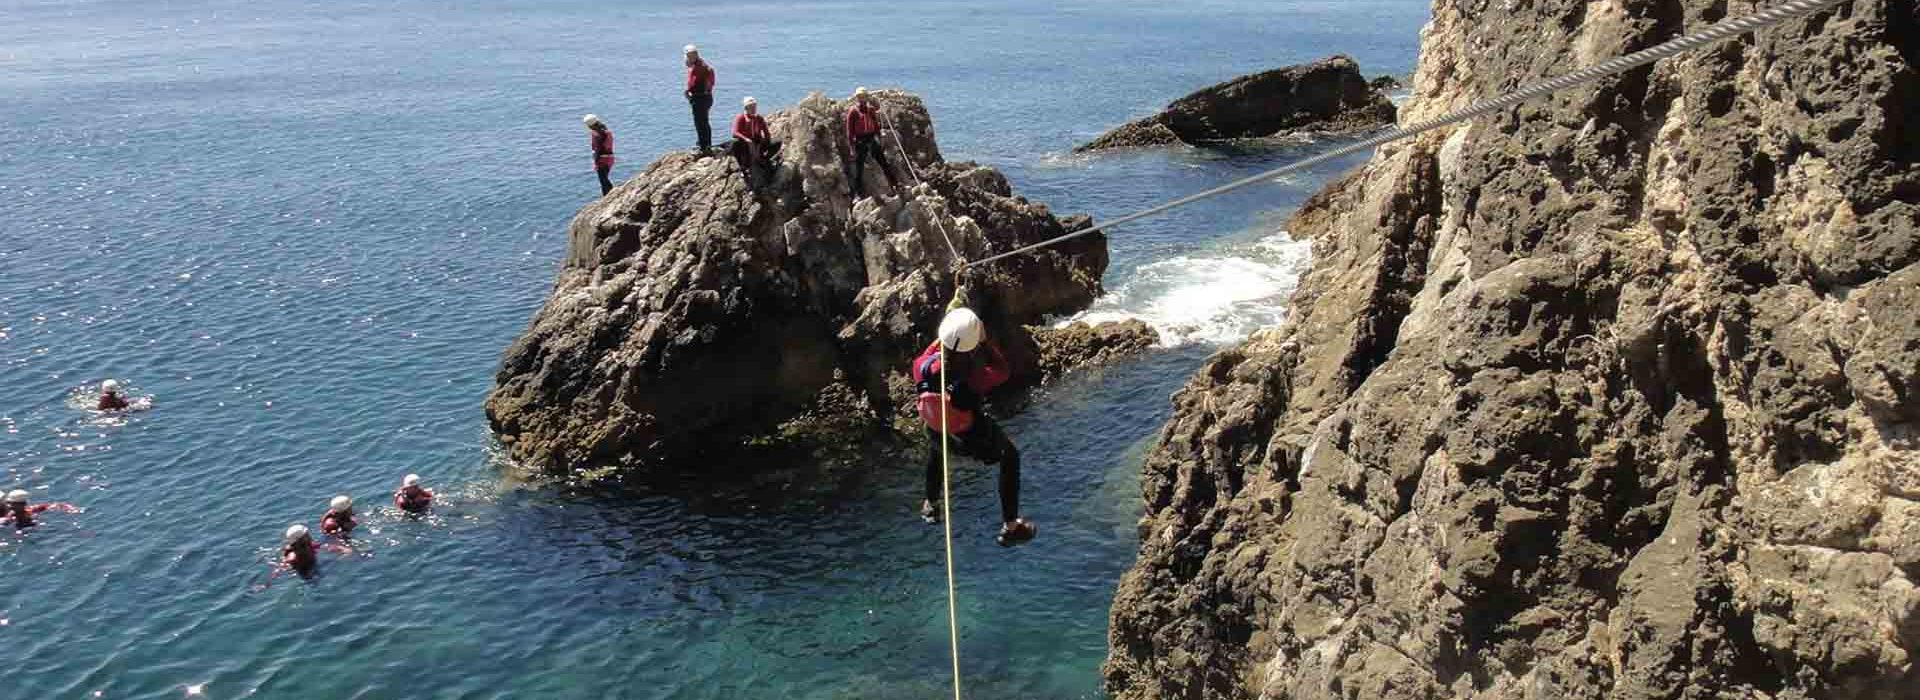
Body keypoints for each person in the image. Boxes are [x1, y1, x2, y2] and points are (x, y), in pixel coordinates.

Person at [911, 307, 1037, 546]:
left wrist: (943, 338)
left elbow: (930, 353)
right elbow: (1002, 370)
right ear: (973, 345)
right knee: (1010, 456)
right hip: (971, 439)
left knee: (937, 446)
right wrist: (986, 341)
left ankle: (930, 502)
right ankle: (1011, 525)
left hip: (938, 432)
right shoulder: (973, 378)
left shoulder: (921, 366)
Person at [844, 87, 900, 199]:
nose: (862, 99)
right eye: (860, 97)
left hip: (870, 138)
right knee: (859, 168)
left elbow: (876, 125)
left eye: (863, 97)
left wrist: (879, 138)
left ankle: (895, 184)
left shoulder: (870, 110)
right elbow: (849, 131)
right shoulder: (853, 111)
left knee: (883, 162)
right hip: (860, 140)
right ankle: (858, 193)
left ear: (866, 97)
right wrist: (851, 147)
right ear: (857, 98)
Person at [730, 97, 782, 192]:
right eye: (751, 107)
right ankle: (743, 166)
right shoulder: (741, 117)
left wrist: (762, 142)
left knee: (777, 142)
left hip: (757, 142)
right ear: (746, 108)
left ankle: (764, 159)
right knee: (735, 143)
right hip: (745, 144)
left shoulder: (759, 118)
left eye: (754, 106)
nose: (754, 109)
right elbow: (735, 132)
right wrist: (747, 139)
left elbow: (766, 133)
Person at [684, 44, 716, 155]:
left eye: (690, 55)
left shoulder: (698, 67)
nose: (688, 58)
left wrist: (687, 91)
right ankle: (705, 144)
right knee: (704, 122)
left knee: (700, 123)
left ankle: (704, 147)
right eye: (688, 55)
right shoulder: (702, 65)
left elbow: (693, 82)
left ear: (695, 55)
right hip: (706, 97)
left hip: (700, 98)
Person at [2, 489, 78, 529]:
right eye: (7, 503)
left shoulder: (30, 510)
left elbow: (53, 505)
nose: (8, 505)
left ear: (22, 504)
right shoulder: (8, 517)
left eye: (10, 503)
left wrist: (69, 508)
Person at [584, 114, 616, 196]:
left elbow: (597, 149)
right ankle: (609, 195)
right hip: (610, 158)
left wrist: (595, 160)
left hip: (602, 160)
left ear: (590, 126)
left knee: (603, 181)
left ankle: (609, 196)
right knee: (604, 179)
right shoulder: (606, 131)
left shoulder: (596, 134)